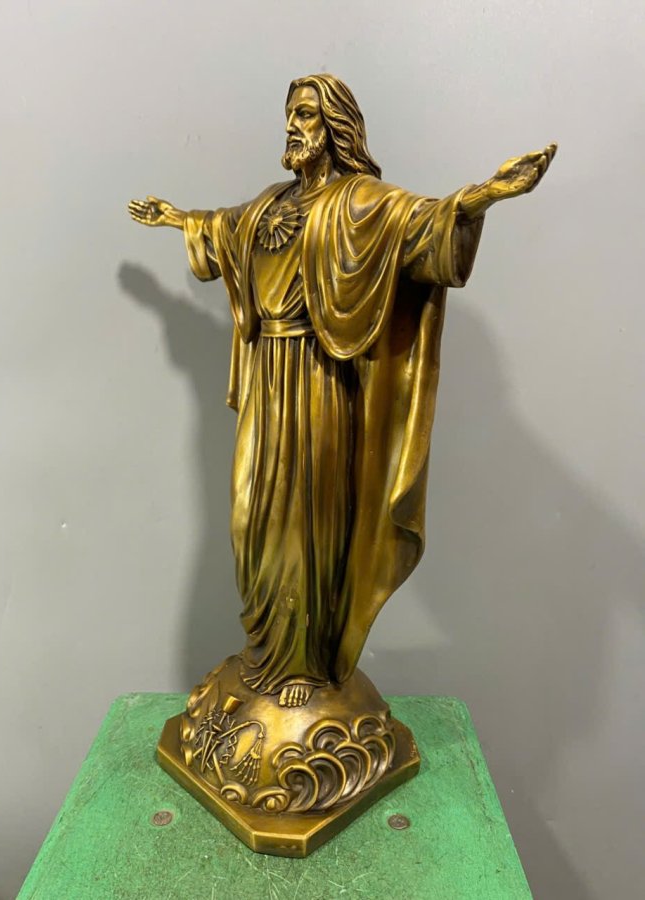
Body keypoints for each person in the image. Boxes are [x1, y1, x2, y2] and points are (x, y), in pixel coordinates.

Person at [129, 74, 555, 708]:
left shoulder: (361, 202)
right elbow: (223, 229)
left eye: (305, 115)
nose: (292, 126)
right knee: (250, 522)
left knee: (309, 520)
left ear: (335, 127)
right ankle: (267, 655)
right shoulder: (270, 203)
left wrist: (485, 194)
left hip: (319, 380)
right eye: (290, 115)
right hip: (266, 379)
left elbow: (424, 224)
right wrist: (176, 219)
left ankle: (305, 666)